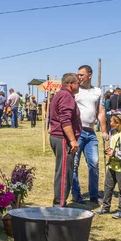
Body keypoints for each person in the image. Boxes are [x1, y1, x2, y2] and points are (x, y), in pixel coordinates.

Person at [71, 65, 108, 205]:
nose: (79, 77)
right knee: (74, 164)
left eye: (81, 75)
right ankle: (76, 194)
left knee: (94, 163)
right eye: (78, 74)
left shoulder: (97, 91)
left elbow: (101, 112)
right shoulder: (75, 91)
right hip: (77, 132)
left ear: (89, 75)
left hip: (91, 133)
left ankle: (94, 194)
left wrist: (104, 131)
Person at [49, 73, 81, 207]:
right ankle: (59, 205)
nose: (79, 85)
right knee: (63, 172)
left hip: (61, 137)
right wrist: (73, 140)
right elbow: (65, 120)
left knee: (66, 171)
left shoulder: (62, 95)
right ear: (71, 84)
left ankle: (61, 202)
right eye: (78, 83)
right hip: (63, 138)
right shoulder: (66, 96)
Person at [97, 114, 121, 219]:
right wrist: (108, 150)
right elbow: (113, 146)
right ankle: (105, 207)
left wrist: (116, 154)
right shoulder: (113, 132)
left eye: (111, 121)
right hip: (112, 166)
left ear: (117, 123)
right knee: (108, 187)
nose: (110, 123)